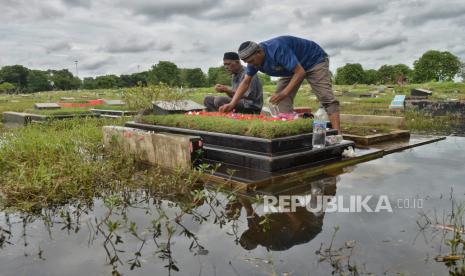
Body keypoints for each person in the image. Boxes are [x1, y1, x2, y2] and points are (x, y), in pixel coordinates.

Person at [219, 36, 341, 132]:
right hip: (290, 68)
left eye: (251, 61)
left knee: (326, 97)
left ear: (259, 52)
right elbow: (245, 82)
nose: (251, 64)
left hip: (314, 59)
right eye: (247, 62)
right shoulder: (253, 61)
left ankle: (337, 135)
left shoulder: (277, 49)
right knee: (281, 102)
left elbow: (300, 72)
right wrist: (232, 103)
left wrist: (284, 92)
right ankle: (290, 132)